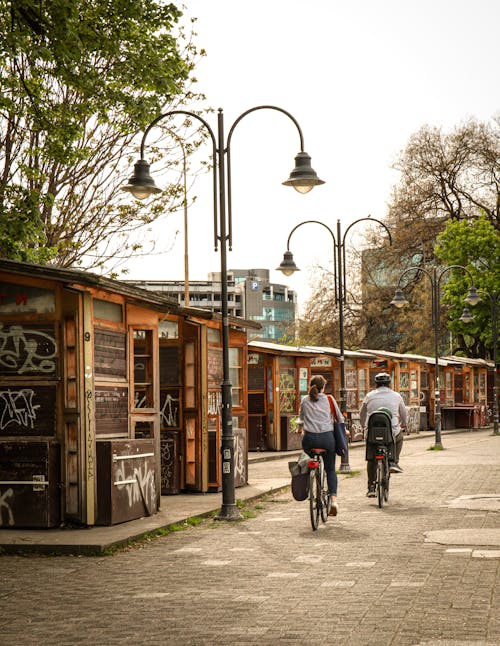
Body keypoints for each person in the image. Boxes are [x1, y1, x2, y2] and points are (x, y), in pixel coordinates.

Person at [299, 375, 343, 516]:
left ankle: (311, 481)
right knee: (330, 469)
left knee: (309, 459)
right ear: (323, 387)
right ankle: (334, 500)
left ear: (310, 387)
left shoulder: (305, 400)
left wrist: (301, 429)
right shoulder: (329, 399)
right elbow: (339, 418)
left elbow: (301, 419)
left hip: (309, 440)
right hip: (327, 439)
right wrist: (345, 430)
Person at [360, 372, 408, 497]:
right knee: (399, 438)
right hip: (391, 432)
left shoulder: (369, 396)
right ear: (389, 384)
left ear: (375, 384)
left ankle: (371, 487)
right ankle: (393, 461)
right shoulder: (396, 396)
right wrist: (404, 424)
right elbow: (404, 414)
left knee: (371, 459)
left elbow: (362, 414)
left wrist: (363, 427)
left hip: (372, 433)